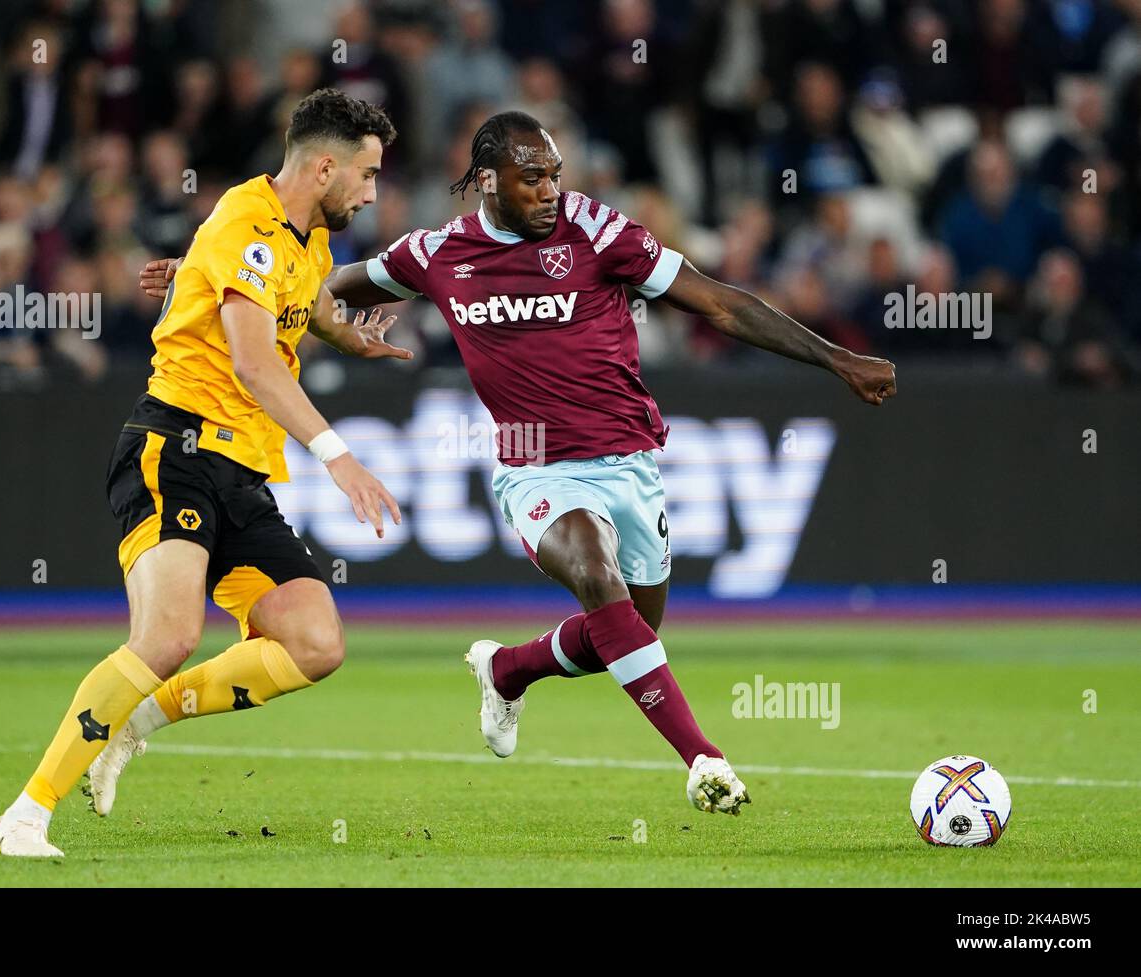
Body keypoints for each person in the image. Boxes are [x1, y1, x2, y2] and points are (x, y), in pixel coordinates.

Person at [137, 111, 897, 816]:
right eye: (532, 179)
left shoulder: (598, 232)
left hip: (629, 461)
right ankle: (702, 759)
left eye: (556, 175)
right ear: (489, 181)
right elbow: (321, 282)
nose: (549, 192)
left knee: (626, 630)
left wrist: (834, 358)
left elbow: (720, 303)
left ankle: (507, 671)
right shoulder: (441, 253)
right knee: (599, 581)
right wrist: (216, 269)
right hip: (535, 468)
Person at [0, 89, 410, 857]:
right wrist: (337, 456)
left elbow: (305, 306)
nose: (373, 192)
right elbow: (251, 362)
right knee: (168, 636)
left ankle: (139, 721)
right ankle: (24, 814)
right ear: (323, 167)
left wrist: (357, 342)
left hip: (240, 470)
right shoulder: (246, 221)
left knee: (316, 641)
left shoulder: (303, 241)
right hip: (174, 449)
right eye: (368, 174)